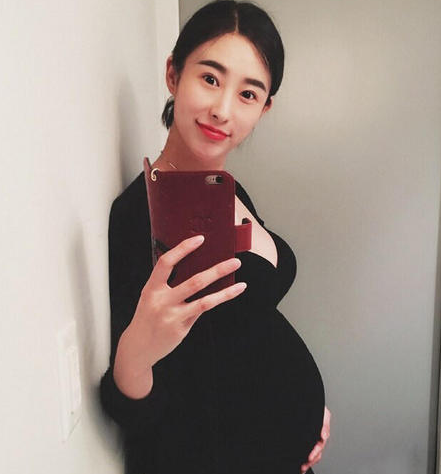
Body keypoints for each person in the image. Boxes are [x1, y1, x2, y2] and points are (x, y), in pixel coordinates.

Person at [100, 1, 331, 473]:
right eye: (210, 78)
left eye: (248, 94)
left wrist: (309, 413)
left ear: (264, 108)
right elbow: (142, 410)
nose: (222, 109)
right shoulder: (141, 216)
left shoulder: (224, 191)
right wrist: (134, 354)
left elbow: (243, 331)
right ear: (173, 74)